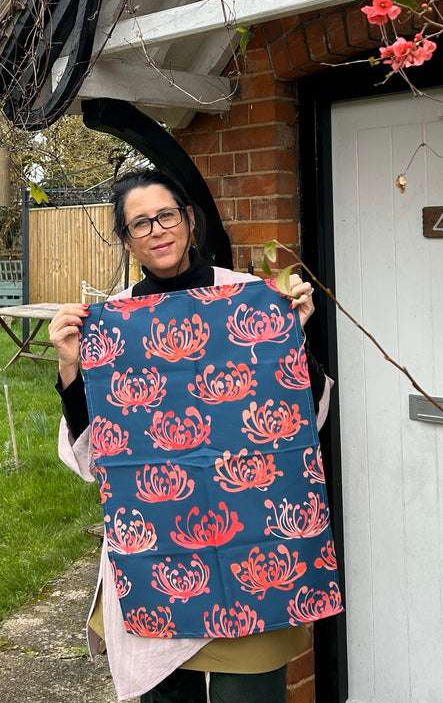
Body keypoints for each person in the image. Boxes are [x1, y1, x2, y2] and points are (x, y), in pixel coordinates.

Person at [49, 168, 333, 703]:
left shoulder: (249, 296)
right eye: (139, 223)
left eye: (166, 215)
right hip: (157, 564)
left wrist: (291, 338)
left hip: (255, 562)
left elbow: (305, 423)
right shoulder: (112, 322)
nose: (156, 230)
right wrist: (70, 366)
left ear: (189, 220)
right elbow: (92, 461)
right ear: (127, 239)